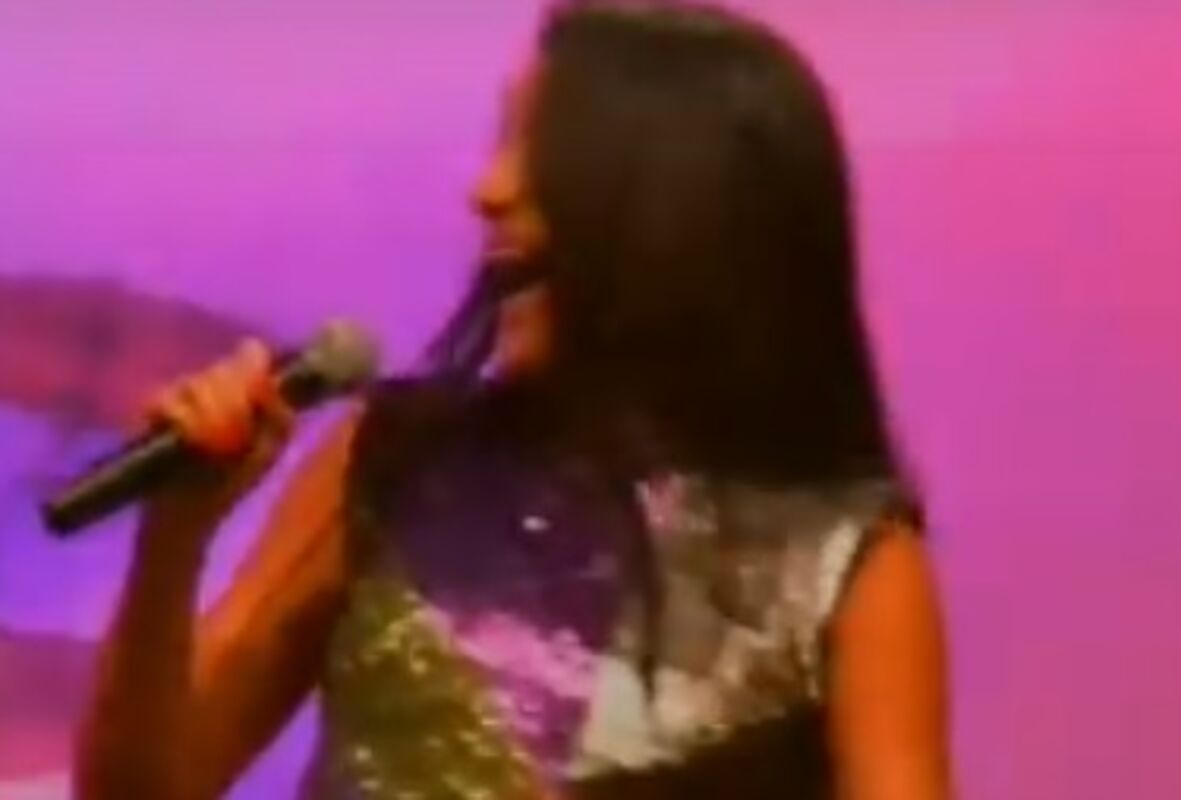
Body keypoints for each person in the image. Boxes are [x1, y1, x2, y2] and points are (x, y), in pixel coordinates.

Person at [75, 2, 950, 798]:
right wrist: (173, 541)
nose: (488, 189)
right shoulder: (394, 464)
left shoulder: (846, 558)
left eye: (537, 152)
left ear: (665, 206)